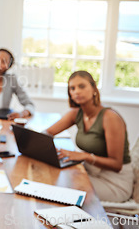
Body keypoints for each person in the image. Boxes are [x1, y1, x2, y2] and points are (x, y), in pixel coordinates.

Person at [45, 70, 133, 203]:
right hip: (91, 171)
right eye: (72, 88)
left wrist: (85, 156)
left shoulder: (110, 117)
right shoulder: (76, 113)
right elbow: (47, 133)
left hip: (114, 181)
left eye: (82, 86)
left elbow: (117, 164)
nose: (76, 92)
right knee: (55, 176)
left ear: (93, 89)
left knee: (63, 187)